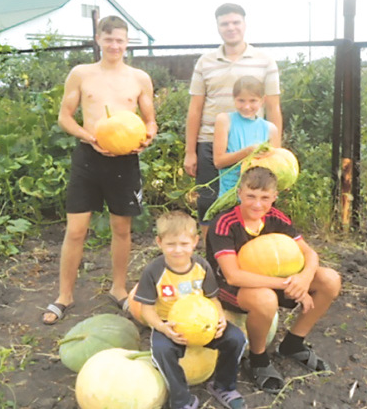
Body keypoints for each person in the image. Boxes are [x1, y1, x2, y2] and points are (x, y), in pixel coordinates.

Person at [42, 16, 158, 325]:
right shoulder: (81, 74)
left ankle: (118, 288)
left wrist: (147, 137)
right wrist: (89, 137)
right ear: (98, 39)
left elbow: (150, 120)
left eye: (120, 40)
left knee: (121, 228)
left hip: (124, 160)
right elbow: (65, 117)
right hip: (88, 158)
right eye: (109, 40)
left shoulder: (139, 78)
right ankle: (64, 295)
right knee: (76, 230)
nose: (115, 46)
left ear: (127, 42)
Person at [206, 167, 342, 394]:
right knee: (266, 299)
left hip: (276, 279)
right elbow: (233, 275)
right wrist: (289, 285)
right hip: (229, 287)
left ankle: (293, 344)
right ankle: (258, 360)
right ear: (239, 193)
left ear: (274, 197)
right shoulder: (224, 223)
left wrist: (304, 279)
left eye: (265, 198)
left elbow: (310, 254)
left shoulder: (276, 218)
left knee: (330, 280)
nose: (257, 204)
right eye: (251, 196)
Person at [184, 3, 283, 237]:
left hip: (252, 145)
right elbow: (195, 109)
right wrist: (190, 151)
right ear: (218, 27)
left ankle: (247, 253)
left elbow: (273, 107)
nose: (231, 28)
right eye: (225, 23)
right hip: (210, 142)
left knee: (251, 204)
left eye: (236, 22)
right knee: (208, 204)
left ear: (244, 24)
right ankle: (211, 254)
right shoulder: (205, 62)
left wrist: (276, 153)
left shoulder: (265, 61)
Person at [134, 211, 248, 409]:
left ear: (195, 242)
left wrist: (220, 318)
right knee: (161, 351)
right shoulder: (153, 271)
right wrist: (162, 328)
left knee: (236, 338)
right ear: (159, 242)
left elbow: (213, 298)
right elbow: (147, 310)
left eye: (184, 244)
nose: (178, 250)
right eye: (171, 244)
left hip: (203, 322)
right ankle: (181, 399)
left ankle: (224, 386)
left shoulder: (202, 266)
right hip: (170, 324)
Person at [213, 76, 280, 197]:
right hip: (229, 196)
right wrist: (247, 152)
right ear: (234, 99)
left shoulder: (271, 129)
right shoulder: (224, 120)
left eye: (253, 101)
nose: (246, 106)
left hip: (258, 200)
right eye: (241, 101)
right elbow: (218, 162)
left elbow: (275, 168)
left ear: (263, 100)